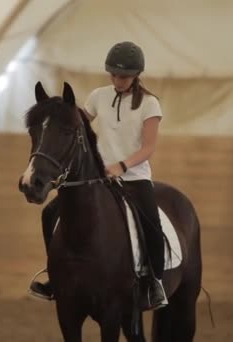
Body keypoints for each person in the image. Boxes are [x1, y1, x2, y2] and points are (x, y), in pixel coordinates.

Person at [29, 41, 168, 310]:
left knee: (151, 224)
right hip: (99, 179)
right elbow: (74, 123)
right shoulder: (98, 96)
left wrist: (122, 166)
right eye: (114, 75)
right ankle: (55, 279)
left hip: (134, 177)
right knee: (49, 213)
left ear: (136, 75)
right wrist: (54, 111)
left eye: (124, 76)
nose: (118, 80)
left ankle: (154, 283)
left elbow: (148, 147)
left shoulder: (150, 104)